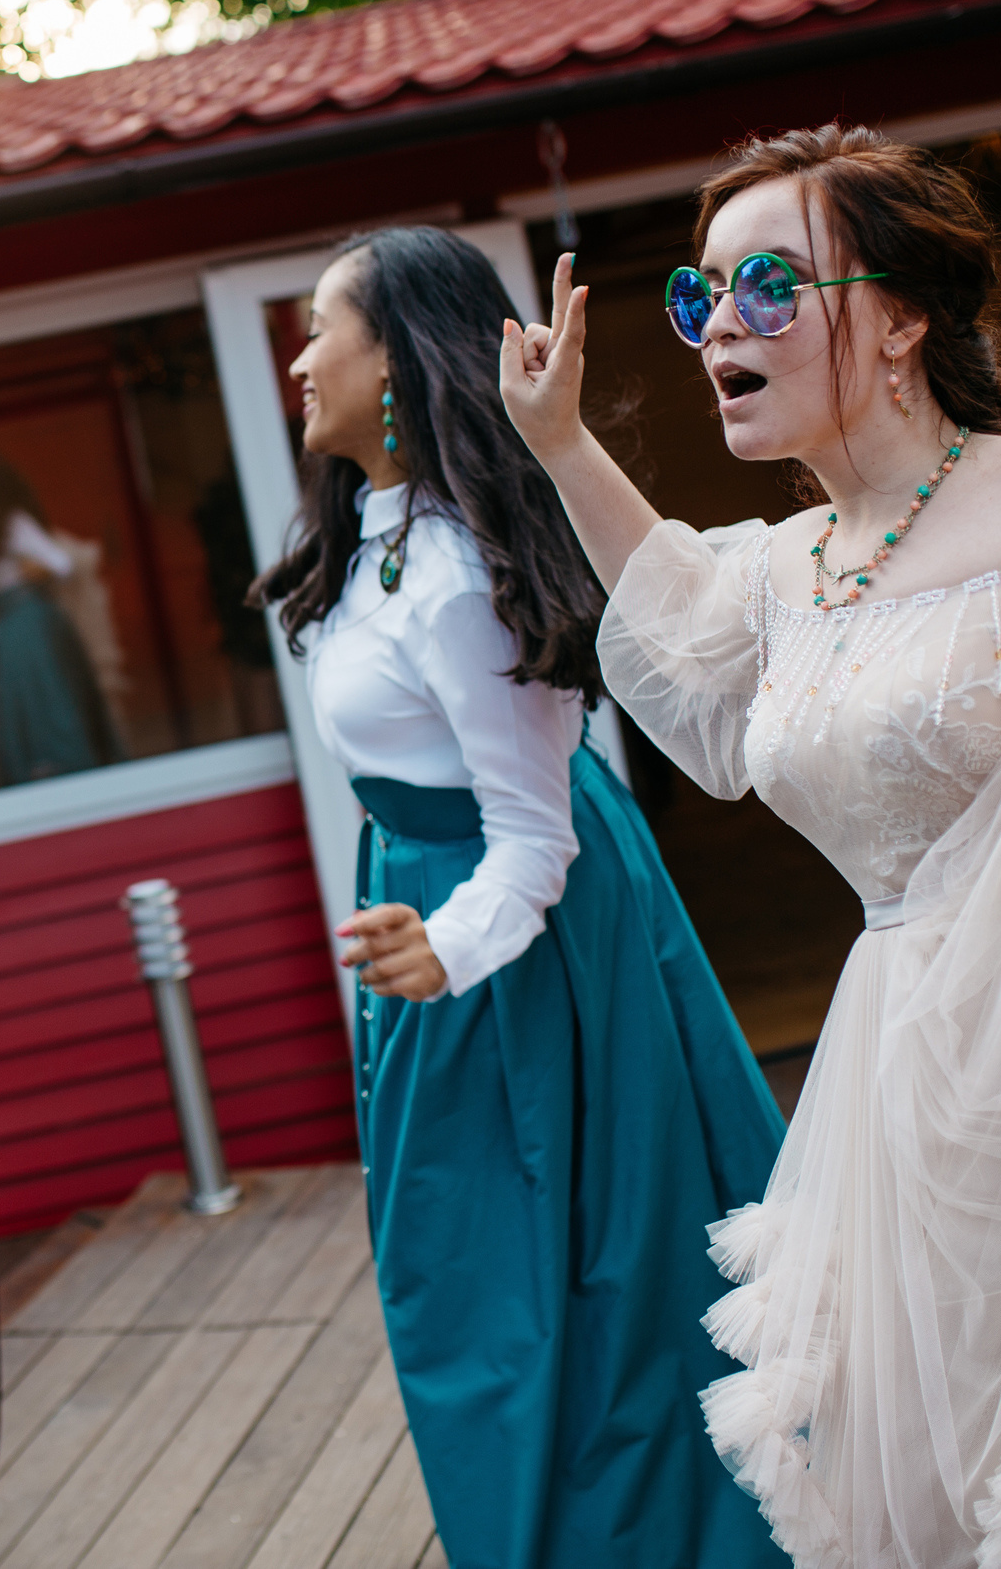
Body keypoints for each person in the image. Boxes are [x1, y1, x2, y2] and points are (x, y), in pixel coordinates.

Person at [498, 123, 1001, 1566]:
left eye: (767, 285)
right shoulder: (786, 573)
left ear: (900, 314)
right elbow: (679, 631)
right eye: (702, 300)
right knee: (972, 1482)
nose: (718, 331)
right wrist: (561, 445)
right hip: (903, 1086)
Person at [251, 226, 787, 1567]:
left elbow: (536, 832)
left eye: (324, 326)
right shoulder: (372, 540)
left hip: (524, 945)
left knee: (562, 1289)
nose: (298, 355)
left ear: (401, 361)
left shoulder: (452, 573)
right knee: (469, 1278)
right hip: (438, 916)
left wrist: (448, 944)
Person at [0, 449, 123, 785]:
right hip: (12, 636)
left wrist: (35, 570)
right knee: (25, 717)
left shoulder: (12, 523)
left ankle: (73, 783)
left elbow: (62, 563)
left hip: (33, 631)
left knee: (48, 712)